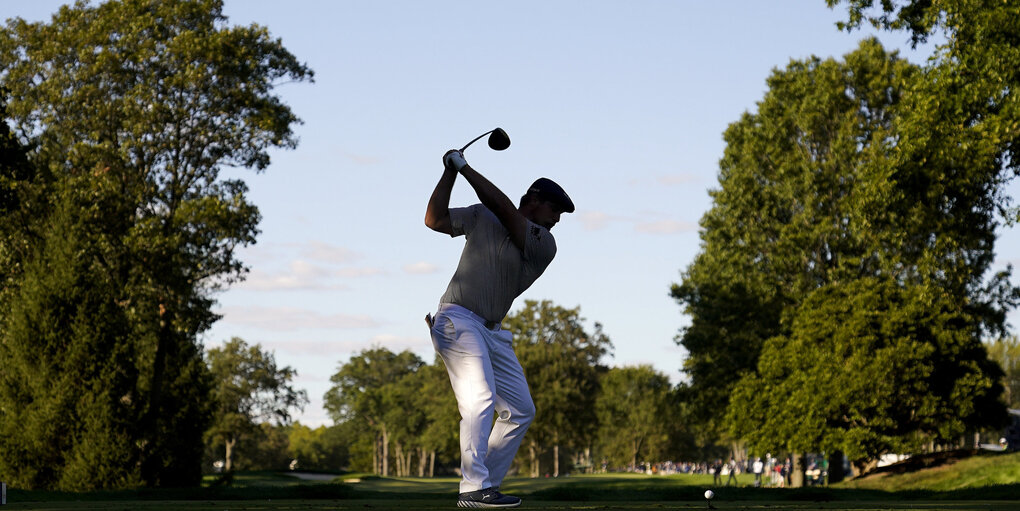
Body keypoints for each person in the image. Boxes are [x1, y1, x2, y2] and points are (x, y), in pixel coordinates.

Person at [425, 148, 574, 508]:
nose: (557, 219)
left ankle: (484, 483)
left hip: (491, 332)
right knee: (480, 399)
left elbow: (506, 209)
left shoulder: (544, 243)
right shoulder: (481, 216)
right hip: (458, 320)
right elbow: (434, 219)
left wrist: (464, 167)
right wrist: (449, 172)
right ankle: (473, 488)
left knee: (521, 409)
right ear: (535, 200)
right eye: (555, 210)